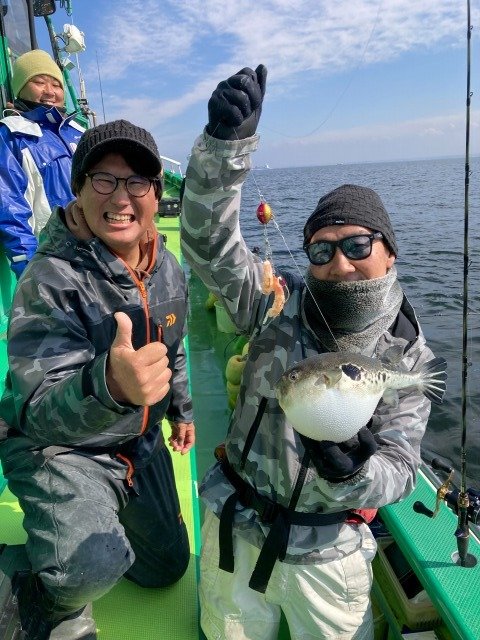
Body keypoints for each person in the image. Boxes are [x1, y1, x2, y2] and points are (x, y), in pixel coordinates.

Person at [181, 65, 443, 640]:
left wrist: (354, 474)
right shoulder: (275, 303)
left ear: (390, 251)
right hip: (236, 532)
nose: (339, 263)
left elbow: (400, 471)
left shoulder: (407, 357)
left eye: (357, 244)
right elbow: (207, 245)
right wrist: (223, 151)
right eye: (320, 250)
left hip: (330, 556)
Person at [0, 119, 195, 639]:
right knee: (89, 568)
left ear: (156, 192)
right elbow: (37, 409)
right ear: (79, 190)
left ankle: (95, 524)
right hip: (61, 447)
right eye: (103, 179)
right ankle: (29, 589)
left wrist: (181, 410)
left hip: (136, 443)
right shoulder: (49, 278)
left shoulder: (168, 267)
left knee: (165, 569)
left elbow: (173, 348)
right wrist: (109, 386)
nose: (121, 197)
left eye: (137, 181)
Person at [0, 49, 85, 277]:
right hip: (51, 260)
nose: (50, 91)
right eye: (38, 82)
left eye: (56, 84)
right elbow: (9, 208)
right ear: (20, 88)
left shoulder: (80, 132)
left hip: (96, 253)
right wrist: (30, 270)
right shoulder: (10, 135)